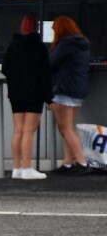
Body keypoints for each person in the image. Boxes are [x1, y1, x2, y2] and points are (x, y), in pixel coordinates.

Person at [0, 14, 51, 179]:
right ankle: (28, 168)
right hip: (34, 93)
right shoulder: (39, 47)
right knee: (29, 131)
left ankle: (17, 168)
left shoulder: (13, 45)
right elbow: (46, 74)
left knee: (18, 130)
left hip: (16, 93)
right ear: (36, 27)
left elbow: (5, 67)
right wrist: (49, 97)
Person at [47, 16, 92, 176]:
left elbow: (50, 63)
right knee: (68, 128)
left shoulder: (65, 45)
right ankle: (68, 163)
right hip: (77, 90)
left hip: (63, 89)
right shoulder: (82, 44)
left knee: (65, 128)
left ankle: (80, 162)